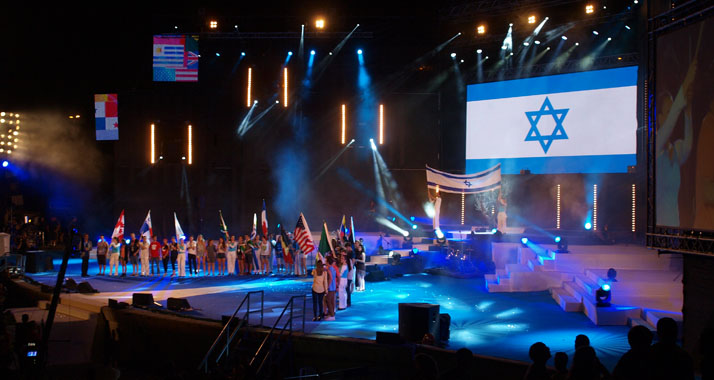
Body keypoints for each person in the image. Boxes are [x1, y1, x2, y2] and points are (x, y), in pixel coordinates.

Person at [325, 256, 337, 320]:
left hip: (330, 287)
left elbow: (331, 278)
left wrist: (327, 286)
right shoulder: (333, 269)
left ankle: (332, 315)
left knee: (328, 301)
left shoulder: (329, 269)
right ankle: (331, 314)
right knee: (331, 301)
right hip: (334, 287)